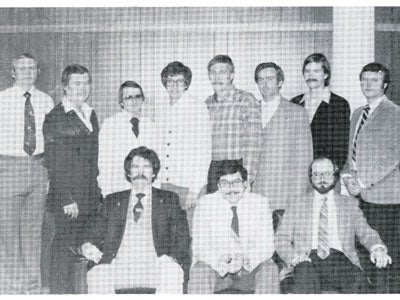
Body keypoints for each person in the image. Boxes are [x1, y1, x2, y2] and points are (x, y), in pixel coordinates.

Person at [81, 146, 191, 294]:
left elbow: (183, 237)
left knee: (172, 272)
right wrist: (87, 245)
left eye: (146, 167)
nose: (140, 172)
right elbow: (93, 233)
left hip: (157, 266)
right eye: (135, 167)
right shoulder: (112, 201)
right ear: (128, 172)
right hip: (119, 265)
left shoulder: (169, 199)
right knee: (97, 275)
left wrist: (173, 258)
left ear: (154, 173)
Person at [275, 157, 392, 293]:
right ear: (310, 177)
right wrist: (294, 258)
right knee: (304, 274)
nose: (322, 178)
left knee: (357, 281)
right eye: (317, 174)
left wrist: (377, 248)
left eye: (327, 173)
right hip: (306, 260)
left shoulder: (349, 204)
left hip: (340, 261)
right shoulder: (297, 203)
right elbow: (281, 238)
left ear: (336, 176)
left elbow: (366, 233)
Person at [43, 64, 102, 294]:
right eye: (77, 83)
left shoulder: (90, 113)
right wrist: (67, 198)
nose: (83, 87)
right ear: (64, 87)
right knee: (64, 248)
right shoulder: (56, 117)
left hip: (88, 194)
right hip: (68, 198)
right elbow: (54, 163)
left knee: (83, 247)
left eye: (86, 82)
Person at [342, 62, 400, 293]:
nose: (367, 84)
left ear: (385, 85)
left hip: (387, 199)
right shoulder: (358, 114)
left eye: (374, 80)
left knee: (386, 255)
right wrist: (347, 177)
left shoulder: (395, 113)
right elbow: (351, 153)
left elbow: (394, 155)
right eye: (364, 80)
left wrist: (363, 180)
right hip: (361, 197)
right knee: (366, 253)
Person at [0, 53, 54, 294]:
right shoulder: (2, 100)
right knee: (9, 232)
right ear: (13, 72)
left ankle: (33, 287)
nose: (27, 72)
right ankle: (12, 287)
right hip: (10, 167)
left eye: (32, 68)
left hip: (38, 167)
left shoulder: (46, 101)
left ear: (37, 71)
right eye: (22, 68)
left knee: (33, 230)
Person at [189, 160, 278, 294]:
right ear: (219, 186)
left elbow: (266, 246)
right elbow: (199, 247)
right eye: (225, 183)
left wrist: (246, 259)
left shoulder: (260, 203)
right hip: (217, 270)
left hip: (250, 270)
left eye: (236, 182)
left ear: (245, 184)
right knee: (199, 269)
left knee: (269, 269)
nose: (231, 189)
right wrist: (218, 260)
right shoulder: (205, 204)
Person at [252, 62, 313, 227]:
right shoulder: (249, 110)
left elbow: (304, 159)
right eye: (261, 79)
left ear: (280, 82)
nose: (265, 83)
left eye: (270, 78)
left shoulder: (297, 112)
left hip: (284, 193)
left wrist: (298, 198)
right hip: (254, 192)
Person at [155, 61, 211, 208]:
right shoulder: (161, 108)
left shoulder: (197, 107)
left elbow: (203, 152)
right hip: (163, 183)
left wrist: (195, 189)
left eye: (179, 81)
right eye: (170, 81)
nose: (174, 86)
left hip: (187, 185)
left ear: (186, 84)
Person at [206, 55, 262, 193]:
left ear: (231, 75)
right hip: (212, 171)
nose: (217, 77)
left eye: (222, 72)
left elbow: (253, 143)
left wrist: (246, 179)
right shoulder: (206, 104)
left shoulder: (246, 100)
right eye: (213, 72)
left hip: (236, 169)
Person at [291, 53, 350, 171]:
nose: (310, 75)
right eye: (307, 71)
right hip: (297, 171)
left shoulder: (338, 104)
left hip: (325, 173)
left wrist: (332, 172)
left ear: (326, 74)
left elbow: (341, 146)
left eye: (316, 71)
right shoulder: (294, 102)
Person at [98, 80, 155, 197]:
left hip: (146, 188)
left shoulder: (151, 125)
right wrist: (107, 193)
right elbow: (104, 163)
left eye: (138, 96)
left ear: (143, 100)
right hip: (118, 188)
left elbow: (155, 161)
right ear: (122, 102)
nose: (134, 101)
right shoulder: (110, 124)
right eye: (129, 97)